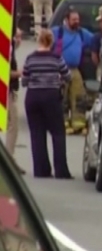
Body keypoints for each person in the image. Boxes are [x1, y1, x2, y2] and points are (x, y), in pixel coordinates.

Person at [22, 29, 72, 179]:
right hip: (51, 97)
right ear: (51, 42)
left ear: (39, 40)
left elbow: (24, 81)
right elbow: (68, 76)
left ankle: (41, 170)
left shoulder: (30, 58)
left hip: (33, 98)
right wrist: (58, 79)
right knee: (57, 133)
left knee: (37, 134)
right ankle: (61, 171)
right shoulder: (56, 58)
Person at [51, 9, 93, 132]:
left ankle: (78, 123)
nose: (76, 22)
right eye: (74, 19)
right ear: (66, 20)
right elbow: (45, 43)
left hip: (75, 70)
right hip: (59, 70)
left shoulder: (81, 33)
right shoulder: (57, 32)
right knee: (61, 97)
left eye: (78, 19)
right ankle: (61, 123)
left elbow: (94, 40)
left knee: (79, 96)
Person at [6, 27, 24, 173]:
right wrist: (20, 73)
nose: (19, 40)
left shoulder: (10, 49)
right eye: (17, 37)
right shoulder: (6, 48)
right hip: (5, 91)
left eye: (20, 37)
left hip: (9, 90)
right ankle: (8, 161)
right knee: (13, 124)